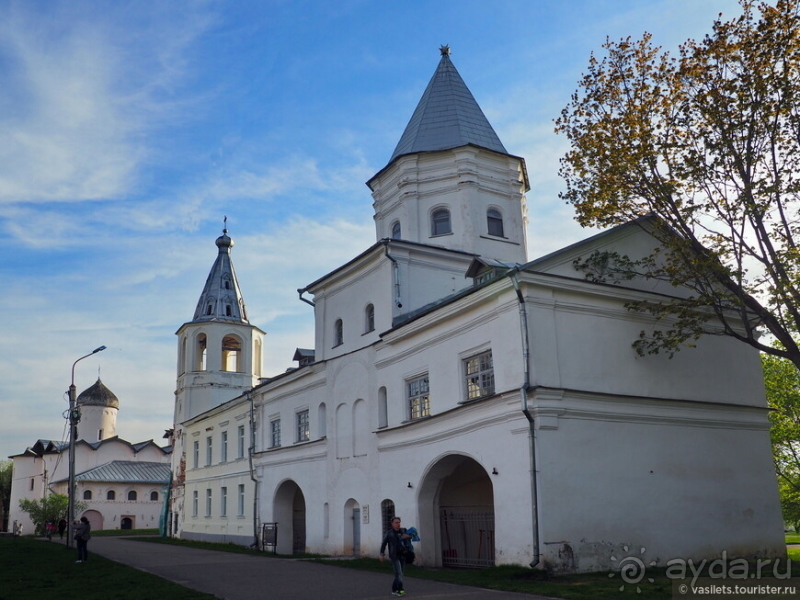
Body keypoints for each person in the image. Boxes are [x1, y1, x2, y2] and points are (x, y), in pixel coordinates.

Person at [379, 516, 411, 596]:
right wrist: (382, 554)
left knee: (400, 573)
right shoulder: (389, 533)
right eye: (396, 523)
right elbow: (383, 544)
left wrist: (408, 536)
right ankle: (400, 590)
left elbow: (413, 536)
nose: (398, 524)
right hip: (394, 555)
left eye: (399, 522)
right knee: (398, 573)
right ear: (392, 524)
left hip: (403, 554)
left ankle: (394, 589)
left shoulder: (403, 530)